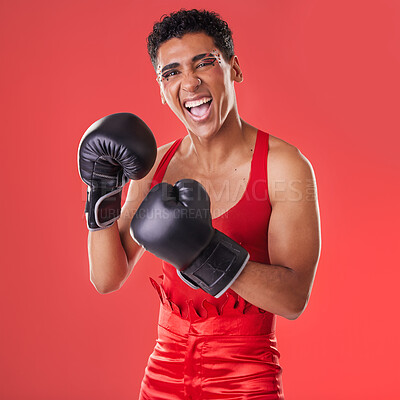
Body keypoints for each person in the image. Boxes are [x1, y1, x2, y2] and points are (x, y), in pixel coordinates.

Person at [78, 9, 321, 400]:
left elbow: (293, 299)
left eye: (204, 63)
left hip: (245, 378)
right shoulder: (156, 165)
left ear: (234, 68)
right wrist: (99, 191)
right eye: (171, 72)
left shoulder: (284, 166)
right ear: (160, 89)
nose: (189, 82)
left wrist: (204, 254)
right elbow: (107, 278)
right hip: (163, 375)